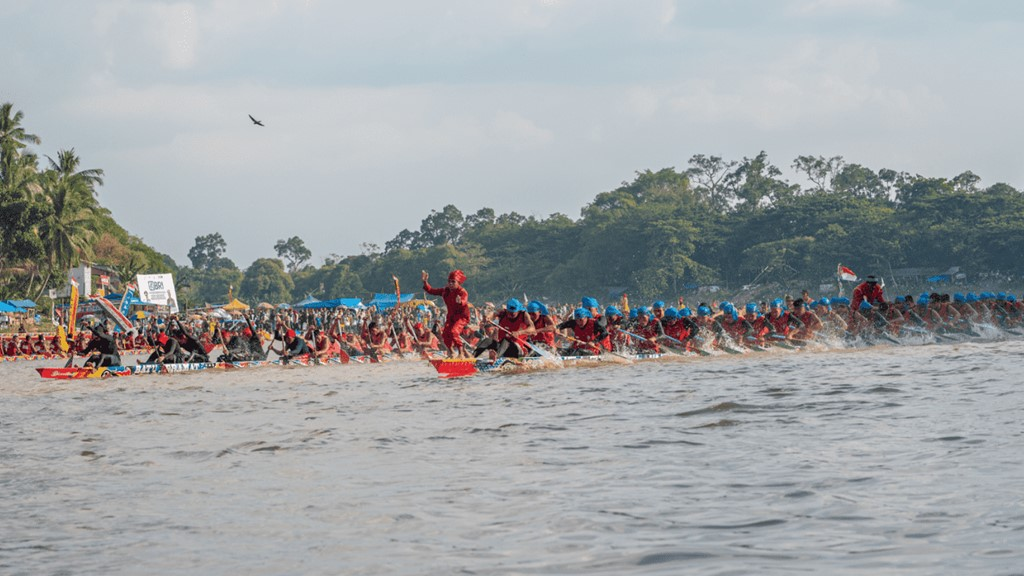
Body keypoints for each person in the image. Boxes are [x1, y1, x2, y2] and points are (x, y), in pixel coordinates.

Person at [422, 269, 471, 358]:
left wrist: (460, 301)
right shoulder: (445, 290)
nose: (450, 283)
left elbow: (464, 300)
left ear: (458, 282)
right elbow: (431, 290)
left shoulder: (462, 291)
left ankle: (461, 353)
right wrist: (425, 282)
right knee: (445, 334)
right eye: (449, 281)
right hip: (451, 316)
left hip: (462, 316)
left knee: (454, 332)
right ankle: (451, 352)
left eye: (453, 282)